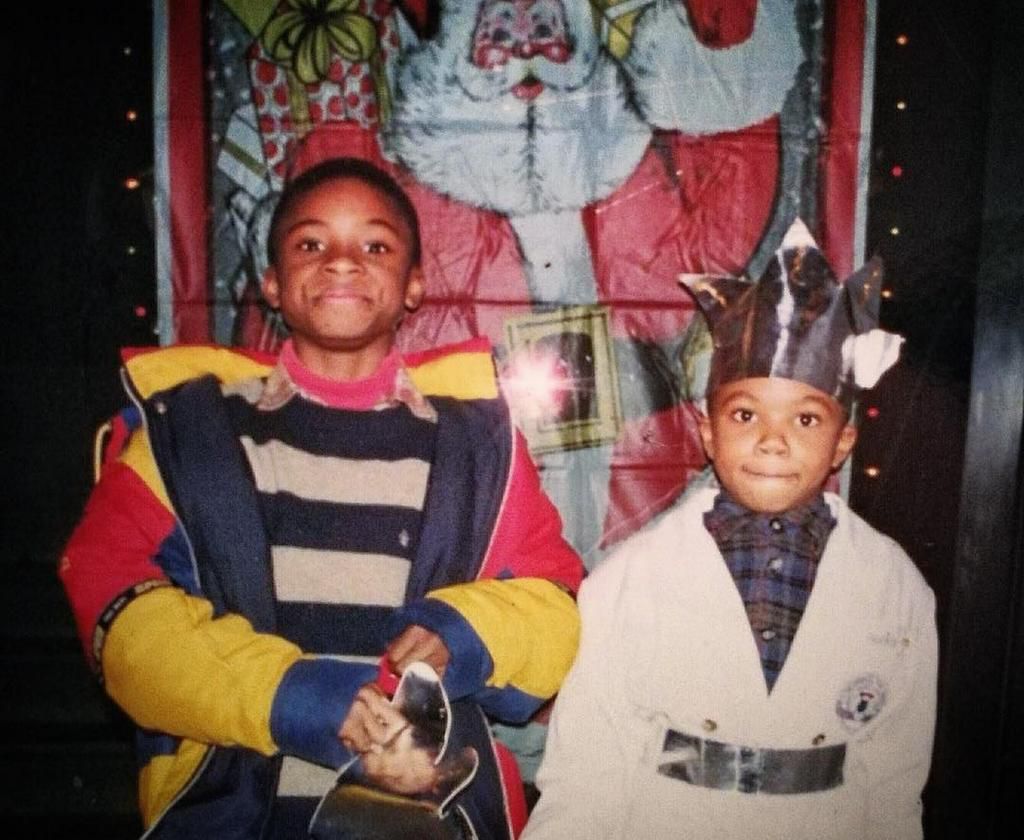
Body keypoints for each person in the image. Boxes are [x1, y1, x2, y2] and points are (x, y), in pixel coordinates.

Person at [60, 157, 583, 839]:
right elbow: (115, 607)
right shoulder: (185, 433)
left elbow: (554, 608)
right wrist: (287, 696)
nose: (341, 262)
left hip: (430, 815)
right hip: (232, 811)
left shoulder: (481, 447)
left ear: (414, 285)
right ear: (273, 283)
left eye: (375, 246)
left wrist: (469, 635)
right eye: (311, 244)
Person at [522, 219, 937, 840]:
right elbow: (585, 778)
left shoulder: (894, 586)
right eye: (746, 414)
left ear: (844, 442)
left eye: (806, 418)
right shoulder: (627, 581)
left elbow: (897, 781)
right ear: (709, 433)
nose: (773, 439)